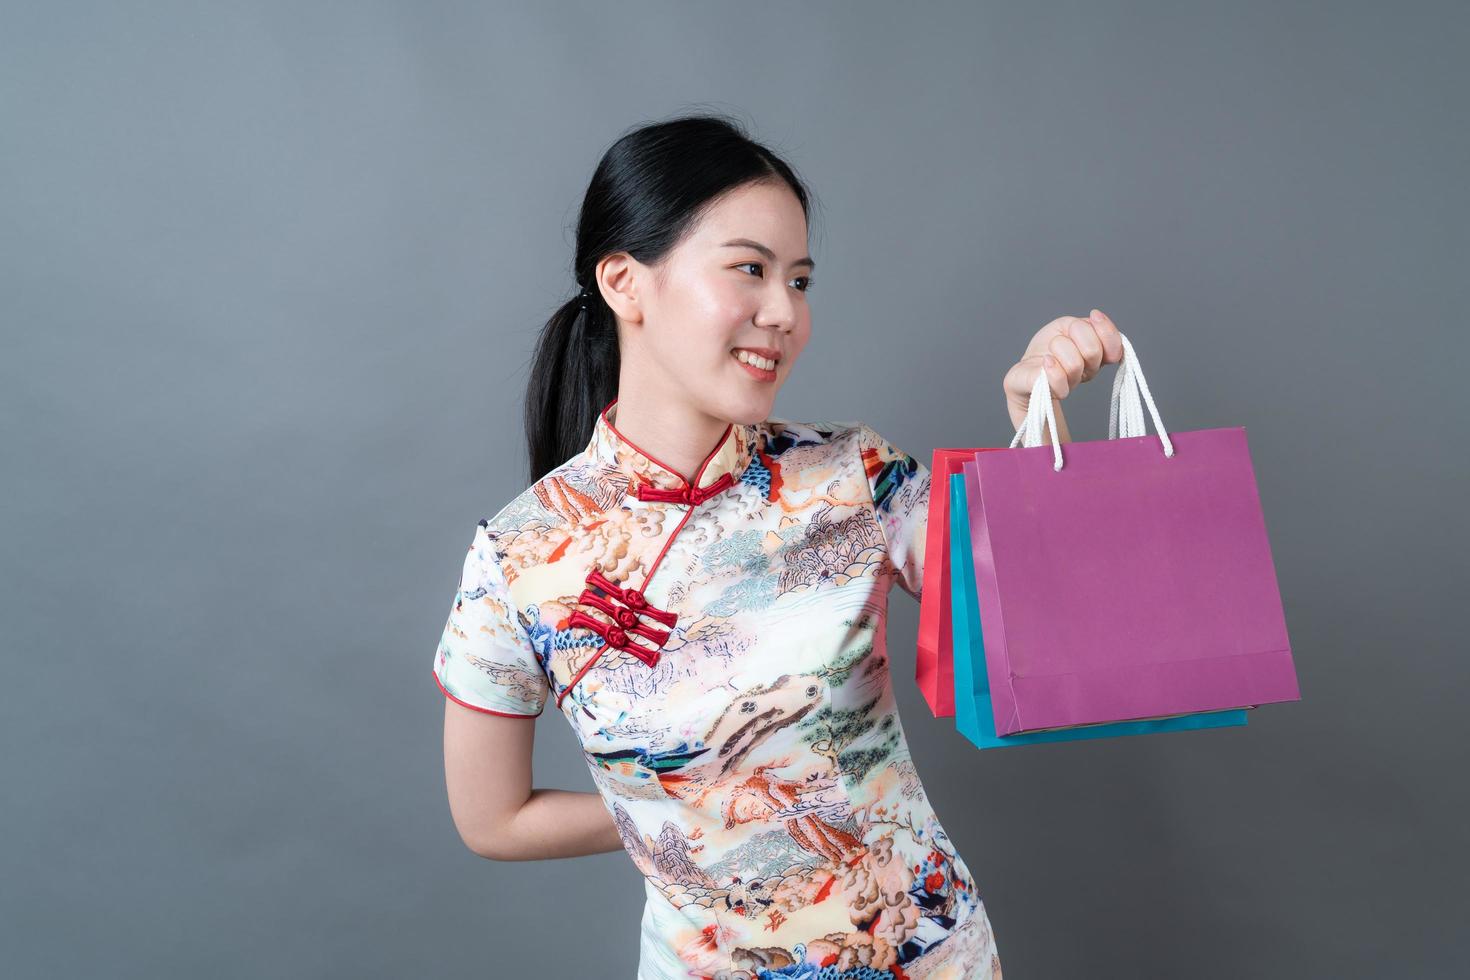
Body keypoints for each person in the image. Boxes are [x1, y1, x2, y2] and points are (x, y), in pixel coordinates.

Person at [431, 113, 1124, 980]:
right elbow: (491, 820)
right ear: (624, 282)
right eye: (749, 270)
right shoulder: (519, 559)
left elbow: (1035, 628)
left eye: (798, 279)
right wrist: (688, 801)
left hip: (930, 958)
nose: (783, 312)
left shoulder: (855, 475)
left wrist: (1034, 432)